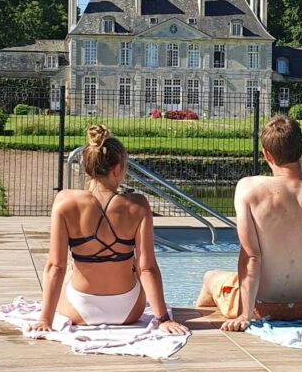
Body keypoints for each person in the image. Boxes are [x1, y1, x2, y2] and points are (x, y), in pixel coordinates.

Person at [197, 114, 302, 332]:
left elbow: (251, 257)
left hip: (258, 309)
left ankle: (200, 322)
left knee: (210, 277)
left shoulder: (249, 189)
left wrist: (244, 316)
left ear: (266, 154)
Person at [32, 124, 189, 335]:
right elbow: (147, 268)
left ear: (88, 167)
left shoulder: (66, 202)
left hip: (79, 309)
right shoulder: (138, 205)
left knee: (69, 269)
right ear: (117, 169)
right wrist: (163, 319)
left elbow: (55, 266)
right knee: (132, 265)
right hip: (128, 309)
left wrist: (45, 320)